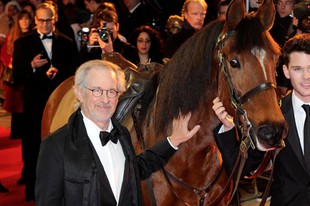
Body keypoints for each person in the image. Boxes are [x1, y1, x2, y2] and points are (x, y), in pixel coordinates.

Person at [214, 33, 310, 205]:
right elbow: (243, 170)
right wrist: (228, 130)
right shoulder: (275, 115)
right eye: (297, 69)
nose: (306, 76)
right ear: (286, 71)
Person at [35, 59, 201, 205]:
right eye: (97, 90)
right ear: (79, 93)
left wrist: (173, 140)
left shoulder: (121, 133)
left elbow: (136, 169)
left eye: (112, 91)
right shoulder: (55, 145)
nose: (106, 99)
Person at [12, 2, 78, 201]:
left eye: (48, 20)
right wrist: (32, 66)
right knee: (33, 149)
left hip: (60, 105)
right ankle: (32, 191)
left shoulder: (67, 42)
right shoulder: (22, 43)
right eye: (41, 20)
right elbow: (17, 77)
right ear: (35, 20)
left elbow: (75, 72)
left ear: (54, 19)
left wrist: (59, 72)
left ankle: (64, 192)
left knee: (62, 149)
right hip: (34, 105)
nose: (45, 24)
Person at [1, 10, 34, 140]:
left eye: (27, 19)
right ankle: (16, 132)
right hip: (15, 76)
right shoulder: (12, 34)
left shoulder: (33, 35)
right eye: (22, 19)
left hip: (29, 73)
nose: (25, 22)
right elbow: (4, 53)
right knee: (16, 105)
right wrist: (10, 63)